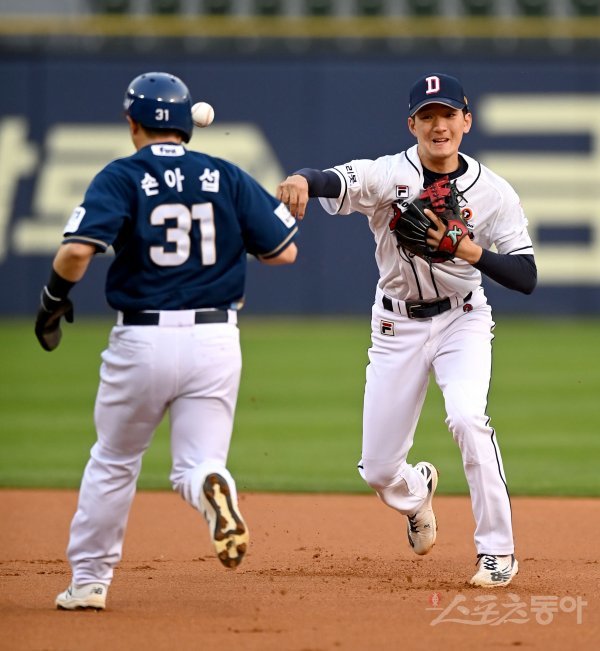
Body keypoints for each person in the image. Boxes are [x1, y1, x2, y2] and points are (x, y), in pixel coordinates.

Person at [35, 71, 298, 610]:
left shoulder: (123, 175)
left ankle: (89, 582)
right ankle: (211, 484)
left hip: (142, 339)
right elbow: (284, 252)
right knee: (195, 463)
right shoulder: (224, 174)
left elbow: (77, 250)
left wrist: (52, 299)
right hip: (215, 338)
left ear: (132, 123)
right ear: (187, 125)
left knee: (114, 461)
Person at [277, 72, 536, 588]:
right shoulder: (386, 175)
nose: (439, 126)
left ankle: (497, 551)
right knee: (378, 470)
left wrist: (468, 250)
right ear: (411, 124)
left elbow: (525, 276)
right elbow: (329, 179)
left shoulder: (494, 192)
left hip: (462, 318)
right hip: (396, 324)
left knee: (468, 418)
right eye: (427, 116)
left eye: (448, 115)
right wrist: (302, 179)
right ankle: (417, 493)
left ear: (466, 121)